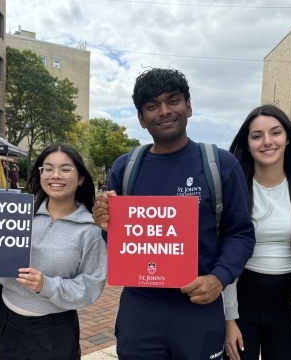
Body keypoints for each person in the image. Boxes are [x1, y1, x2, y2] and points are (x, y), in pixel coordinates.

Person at [92, 68, 256, 359]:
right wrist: (106, 225)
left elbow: (240, 234)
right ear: (142, 119)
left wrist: (218, 279)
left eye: (173, 100)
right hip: (140, 309)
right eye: (152, 106)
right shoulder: (125, 169)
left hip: (199, 307)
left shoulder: (220, 165)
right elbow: (119, 244)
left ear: (189, 106)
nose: (165, 111)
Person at [0, 144, 107, 360]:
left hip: (55, 330)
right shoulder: (16, 215)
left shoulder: (90, 230)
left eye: (65, 169)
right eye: (48, 168)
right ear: (40, 173)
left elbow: (91, 285)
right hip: (6, 322)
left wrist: (47, 285)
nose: (56, 175)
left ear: (80, 178)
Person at [223, 105, 291, 360]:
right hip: (242, 299)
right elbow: (226, 252)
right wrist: (228, 318)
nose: (267, 142)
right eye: (257, 136)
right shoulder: (234, 188)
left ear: (287, 138)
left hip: (290, 302)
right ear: (248, 143)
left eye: (275, 133)